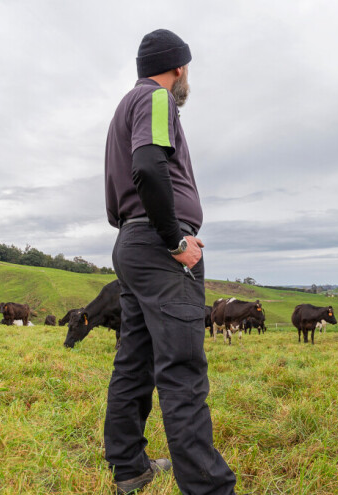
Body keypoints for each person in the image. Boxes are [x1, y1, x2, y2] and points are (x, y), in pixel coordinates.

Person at [103, 28, 238, 495]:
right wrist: (175, 239)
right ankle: (208, 488)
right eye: (188, 69)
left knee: (134, 361)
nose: (187, 79)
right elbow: (147, 166)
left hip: (131, 244)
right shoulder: (158, 101)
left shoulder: (126, 104)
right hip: (160, 250)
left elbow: (125, 180)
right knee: (181, 368)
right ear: (178, 68)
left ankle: (129, 466)